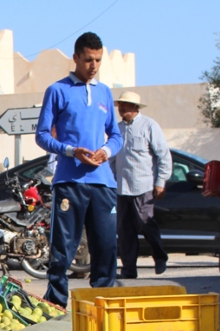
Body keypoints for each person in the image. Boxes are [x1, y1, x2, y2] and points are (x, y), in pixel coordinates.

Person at [35, 32, 122, 308]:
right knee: (63, 250)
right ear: (75, 58)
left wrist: (105, 152)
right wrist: (73, 151)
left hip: (103, 184)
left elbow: (117, 136)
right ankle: (56, 305)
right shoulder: (57, 91)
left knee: (106, 248)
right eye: (88, 60)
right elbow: (42, 136)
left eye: (98, 60)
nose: (93, 65)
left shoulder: (105, 92)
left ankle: (103, 304)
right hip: (69, 182)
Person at [112, 91, 171, 278]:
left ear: (135, 107)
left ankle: (160, 256)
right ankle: (129, 269)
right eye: (121, 104)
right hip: (122, 187)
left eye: (126, 105)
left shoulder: (149, 126)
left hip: (143, 185)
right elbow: (111, 158)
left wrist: (161, 182)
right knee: (124, 230)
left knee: (146, 223)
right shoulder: (117, 129)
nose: (122, 108)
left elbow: (163, 155)